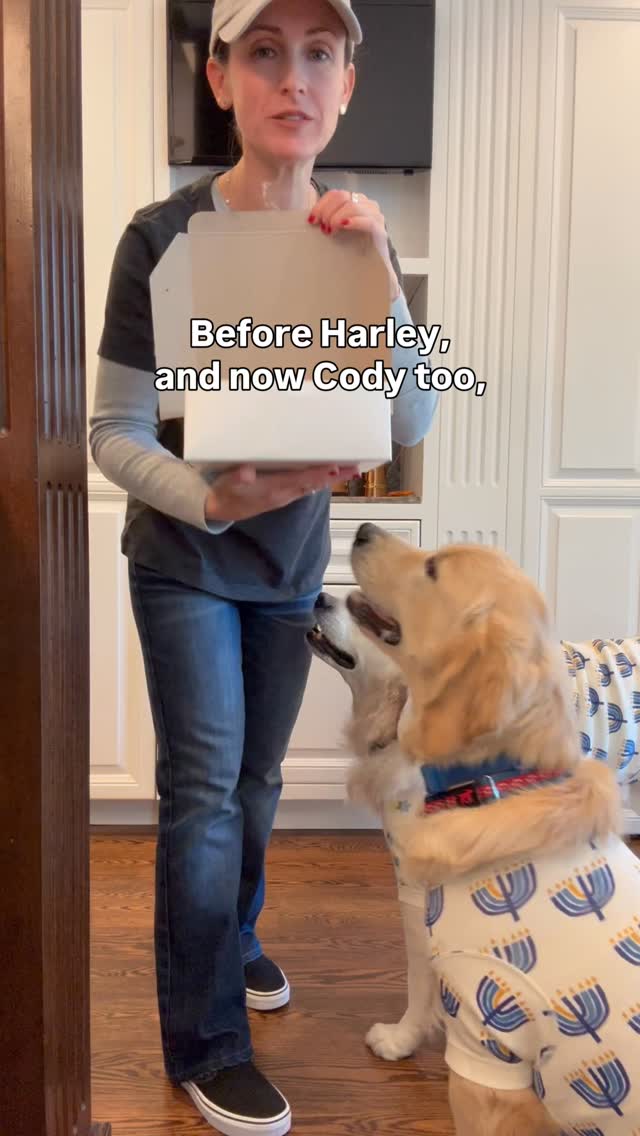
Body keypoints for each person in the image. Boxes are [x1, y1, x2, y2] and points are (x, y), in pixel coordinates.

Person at [89, 0, 439, 1132]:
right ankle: (206, 1043)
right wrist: (212, 498)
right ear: (220, 77)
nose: (295, 78)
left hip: (289, 565)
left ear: (347, 83)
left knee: (256, 781)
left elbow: (412, 416)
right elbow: (113, 431)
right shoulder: (163, 237)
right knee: (203, 790)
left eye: (319, 54)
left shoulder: (355, 242)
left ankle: (231, 940)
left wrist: (379, 264)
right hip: (184, 559)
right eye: (265, 53)